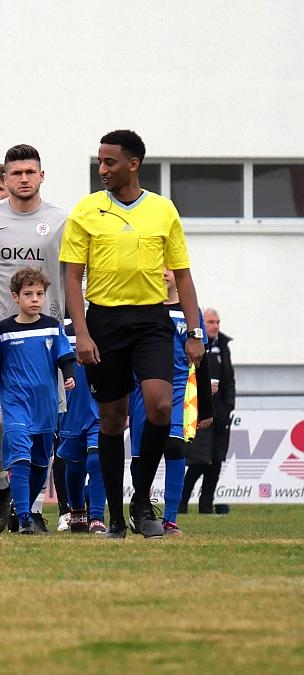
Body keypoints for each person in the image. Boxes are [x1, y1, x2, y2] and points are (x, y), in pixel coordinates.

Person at [61, 129, 205, 539]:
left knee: (159, 407)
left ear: (133, 164)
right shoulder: (86, 211)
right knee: (111, 418)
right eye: (100, 162)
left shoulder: (162, 210)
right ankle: (114, 517)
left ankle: (142, 501)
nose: (102, 169)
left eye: (110, 162)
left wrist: (194, 331)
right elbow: (72, 277)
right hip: (104, 322)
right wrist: (82, 333)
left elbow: (183, 276)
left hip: (151, 321)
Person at [0, 144, 69, 532]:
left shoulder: (61, 221)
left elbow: (75, 276)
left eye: (30, 172)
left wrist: (76, 329)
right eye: (16, 173)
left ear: (41, 176)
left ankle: (32, 510)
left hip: (45, 345)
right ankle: (3, 484)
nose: (24, 179)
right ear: (5, 178)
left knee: (43, 433)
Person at [128, 270, 214, 536]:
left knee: (175, 447)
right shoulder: (141, 306)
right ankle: (140, 508)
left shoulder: (191, 312)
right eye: (159, 265)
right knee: (141, 456)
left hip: (178, 388)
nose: (164, 272)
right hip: (142, 388)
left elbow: (201, 360)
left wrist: (206, 407)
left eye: (169, 267)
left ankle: (170, 519)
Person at [0, 268, 75, 534]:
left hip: (45, 407)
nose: (35, 299)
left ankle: (22, 508)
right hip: (16, 404)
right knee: (20, 457)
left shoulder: (52, 326)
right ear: (15, 297)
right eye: (28, 294)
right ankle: (25, 518)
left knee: (40, 463)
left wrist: (69, 375)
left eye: (39, 294)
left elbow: (65, 355)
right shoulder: (4, 330)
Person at [183, 308, 235, 514]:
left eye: (217, 322)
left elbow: (229, 380)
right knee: (199, 461)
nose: (215, 326)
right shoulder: (196, 345)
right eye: (211, 322)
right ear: (202, 324)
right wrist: (203, 389)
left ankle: (206, 506)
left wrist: (228, 406)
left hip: (221, 413)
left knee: (216, 462)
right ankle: (181, 504)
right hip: (201, 411)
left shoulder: (223, 346)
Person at [56, 318, 105, 533]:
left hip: (99, 408)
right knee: (75, 465)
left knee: (96, 461)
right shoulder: (60, 331)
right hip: (71, 410)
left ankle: (97, 516)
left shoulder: (103, 327)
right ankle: (76, 509)